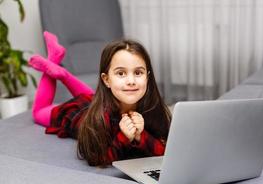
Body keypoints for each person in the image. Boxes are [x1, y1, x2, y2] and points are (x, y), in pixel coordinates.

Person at [29, 32, 171, 167]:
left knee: (94, 97)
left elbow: (164, 151)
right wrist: (124, 137)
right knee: (38, 112)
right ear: (106, 80)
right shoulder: (98, 120)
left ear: (148, 76)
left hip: (101, 101)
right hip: (81, 113)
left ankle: (64, 74)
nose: (131, 81)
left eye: (138, 72)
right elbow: (97, 159)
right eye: (121, 73)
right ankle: (54, 62)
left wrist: (141, 135)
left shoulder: (153, 109)